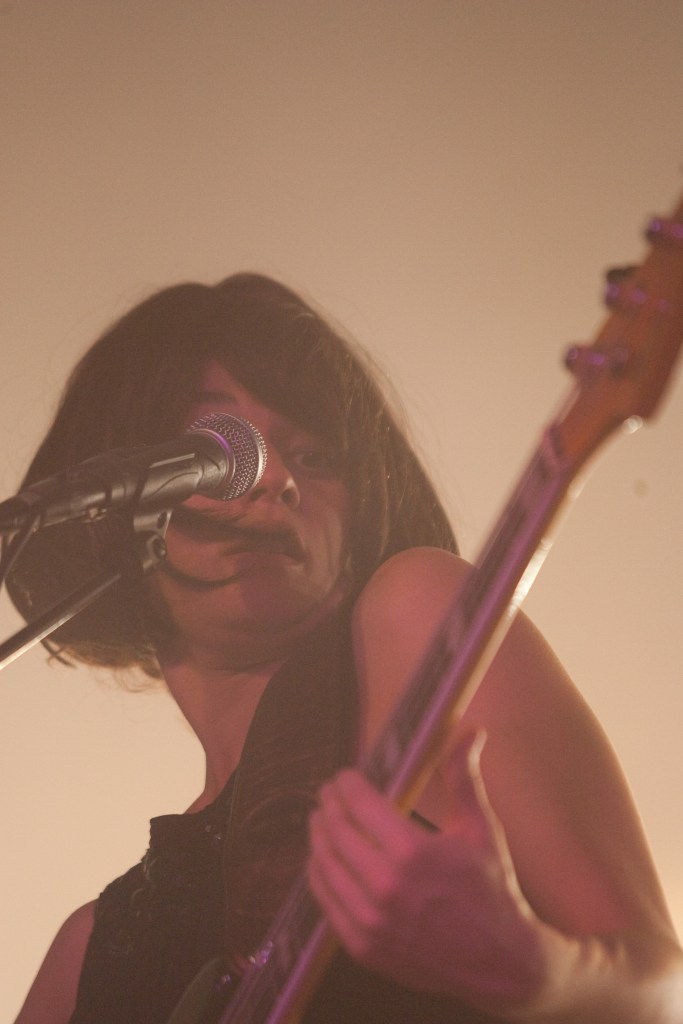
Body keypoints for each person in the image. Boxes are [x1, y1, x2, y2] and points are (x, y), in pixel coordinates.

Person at [8, 273, 683, 1024]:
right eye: (220, 446)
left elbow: (659, 990)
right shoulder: (85, 957)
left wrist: (527, 970)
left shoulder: (416, 622)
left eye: (316, 456)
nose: (276, 480)